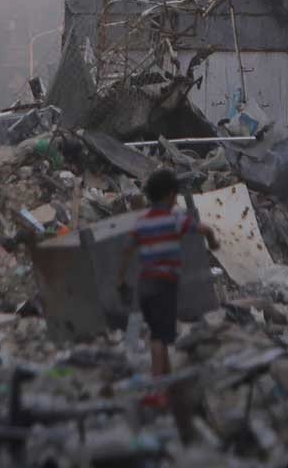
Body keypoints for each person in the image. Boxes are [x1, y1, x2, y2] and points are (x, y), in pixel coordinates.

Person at [116, 168, 218, 407]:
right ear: (171, 195)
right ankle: (158, 389)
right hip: (164, 284)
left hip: (145, 284)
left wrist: (121, 281)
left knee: (159, 333)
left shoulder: (142, 223)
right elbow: (204, 229)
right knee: (160, 338)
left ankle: (169, 383)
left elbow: (126, 251)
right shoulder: (174, 219)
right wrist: (213, 242)